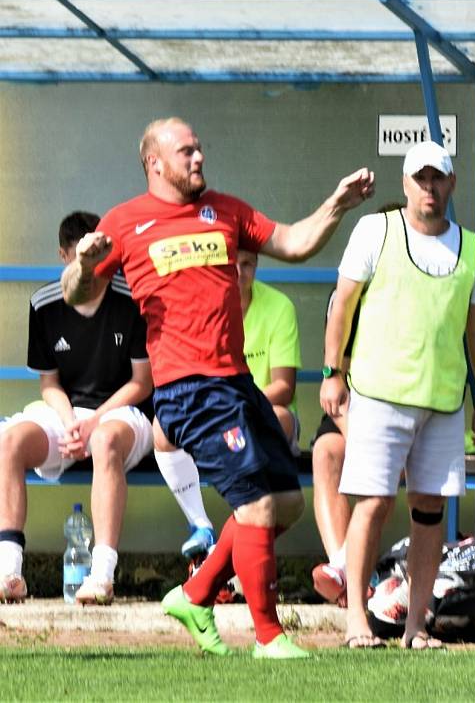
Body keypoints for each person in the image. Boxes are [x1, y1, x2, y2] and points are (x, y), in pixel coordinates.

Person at [61, 117, 374, 659]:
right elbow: (75, 294)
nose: (199, 158)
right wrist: (86, 265)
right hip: (190, 387)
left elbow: (294, 244)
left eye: (200, 148)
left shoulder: (226, 209)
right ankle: (268, 636)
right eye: (186, 152)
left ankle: (195, 591)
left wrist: (337, 205)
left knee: (286, 502)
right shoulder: (126, 221)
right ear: (154, 162)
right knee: (254, 505)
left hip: (236, 383)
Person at [321, 141, 475, 649]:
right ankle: (356, 620)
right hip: (378, 393)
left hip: (442, 402)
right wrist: (332, 372)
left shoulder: (471, 247)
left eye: (438, 178)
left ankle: (416, 626)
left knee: (429, 510)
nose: (429, 188)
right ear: (404, 184)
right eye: (420, 179)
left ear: (452, 184)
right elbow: (342, 305)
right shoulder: (376, 229)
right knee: (372, 502)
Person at [0, 211, 153, 604]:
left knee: (103, 440)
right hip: (67, 415)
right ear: (65, 257)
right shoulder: (44, 304)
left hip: (122, 414)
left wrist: (92, 424)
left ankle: (101, 576)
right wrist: (70, 423)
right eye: (81, 259)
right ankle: (9, 572)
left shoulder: (131, 298)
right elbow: (49, 384)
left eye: (98, 258)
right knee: (10, 441)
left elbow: (141, 383)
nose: (91, 271)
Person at [155, 249, 303, 561]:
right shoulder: (200, 308)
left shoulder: (278, 307)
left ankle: (230, 559)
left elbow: (284, 388)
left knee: (279, 419)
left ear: (257, 265)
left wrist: (236, 408)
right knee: (162, 428)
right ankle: (201, 526)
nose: (238, 271)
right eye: (230, 264)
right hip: (216, 413)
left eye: (247, 263)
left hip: (259, 411)